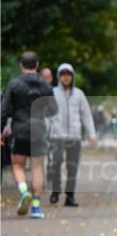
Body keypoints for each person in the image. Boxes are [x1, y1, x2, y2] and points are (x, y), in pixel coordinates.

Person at [1, 51, 57, 218]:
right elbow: (53, 110)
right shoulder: (46, 86)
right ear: (37, 65)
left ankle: (24, 192)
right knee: (37, 167)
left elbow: (3, 110)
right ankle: (37, 207)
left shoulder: (14, 84)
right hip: (39, 130)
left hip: (20, 129)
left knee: (17, 165)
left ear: (21, 65)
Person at [47, 63, 97, 207]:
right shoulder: (52, 93)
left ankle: (70, 197)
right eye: (63, 75)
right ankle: (55, 190)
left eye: (68, 75)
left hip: (75, 136)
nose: (66, 77)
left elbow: (86, 115)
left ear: (72, 76)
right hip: (57, 135)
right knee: (55, 164)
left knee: (72, 167)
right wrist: (47, 135)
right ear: (59, 77)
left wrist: (91, 133)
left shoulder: (79, 94)